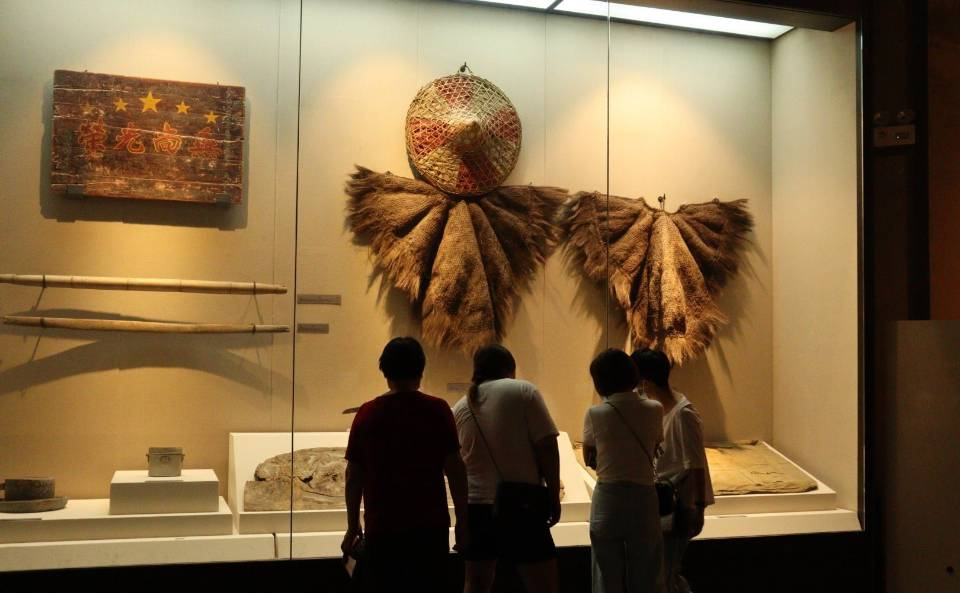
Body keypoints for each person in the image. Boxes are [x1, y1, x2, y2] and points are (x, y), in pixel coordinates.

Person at [341, 337, 469, 593]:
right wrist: (463, 522)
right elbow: (455, 470)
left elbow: (354, 476)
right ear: (421, 370)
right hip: (429, 527)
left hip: (383, 527)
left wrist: (352, 525)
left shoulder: (367, 413)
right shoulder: (437, 409)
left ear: (385, 372)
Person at [452, 344, 562, 593]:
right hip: (521, 504)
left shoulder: (461, 405)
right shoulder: (523, 391)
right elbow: (546, 446)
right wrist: (553, 495)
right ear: (510, 369)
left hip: (477, 507)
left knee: (476, 584)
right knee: (543, 586)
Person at [631, 349, 714, 593]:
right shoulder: (658, 410)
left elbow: (696, 464)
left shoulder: (683, 415)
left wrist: (698, 508)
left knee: (667, 573)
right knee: (664, 572)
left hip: (678, 505)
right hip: (663, 502)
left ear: (645, 382)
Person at [583, 348, 664, 593]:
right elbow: (654, 448)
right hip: (644, 497)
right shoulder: (655, 409)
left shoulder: (595, 413)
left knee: (606, 577)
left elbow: (589, 458)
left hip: (608, 498)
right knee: (646, 575)